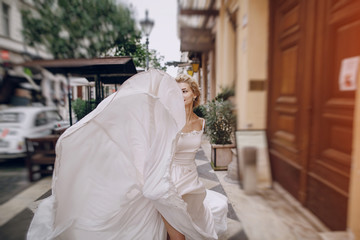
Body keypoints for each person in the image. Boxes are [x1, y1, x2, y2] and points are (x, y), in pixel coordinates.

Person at [27, 69, 227, 240]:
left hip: (190, 177)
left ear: (194, 94)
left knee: (183, 221)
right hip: (166, 176)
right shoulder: (167, 120)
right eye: (176, 91)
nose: (180, 95)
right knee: (171, 217)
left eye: (184, 91)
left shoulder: (202, 122)